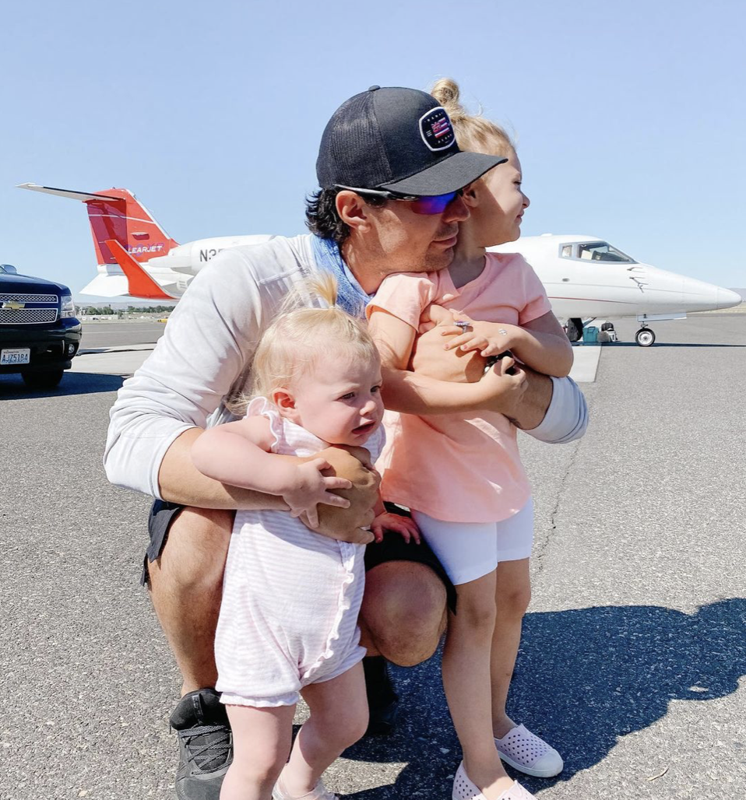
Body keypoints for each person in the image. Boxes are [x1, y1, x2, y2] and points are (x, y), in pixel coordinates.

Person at [103, 84, 589, 800]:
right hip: (258, 494)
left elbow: (568, 415)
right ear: (355, 211)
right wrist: (297, 480)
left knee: (416, 620)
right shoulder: (252, 282)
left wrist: (511, 385)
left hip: (384, 508)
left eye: (459, 191)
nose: (457, 211)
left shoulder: (454, 286)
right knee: (195, 540)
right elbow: (132, 434)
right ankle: (208, 703)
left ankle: (339, 656)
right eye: (428, 200)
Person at [367, 78, 573, 800]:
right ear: (475, 190)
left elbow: (560, 355)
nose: (528, 197)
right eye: (518, 182)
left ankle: (497, 719)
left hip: (502, 479)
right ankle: (478, 767)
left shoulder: (515, 274)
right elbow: (380, 381)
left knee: (514, 601)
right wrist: (484, 393)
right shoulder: (412, 284)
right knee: (477, 614)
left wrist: (513, 334)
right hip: (442, 485)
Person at [190, 276, 419, 800]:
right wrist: (283, 477)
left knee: (347, 724)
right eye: (349, 395)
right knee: (258, 758)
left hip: (330, 632)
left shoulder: (360, 436)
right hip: (265, 634)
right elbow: (209, 450)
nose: (370, 407)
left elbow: (360, 487)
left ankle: (301, 784)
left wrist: (377, 514)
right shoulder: (279, 433)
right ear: (288, 401)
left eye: (375, 390)